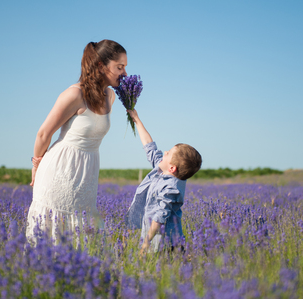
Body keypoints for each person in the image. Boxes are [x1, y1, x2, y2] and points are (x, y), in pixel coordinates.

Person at [26, 40, 127, 243]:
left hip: (86, 174)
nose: (124, 74)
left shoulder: (110, 96)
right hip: (59, 170)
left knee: (83, 239)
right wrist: (36, 166)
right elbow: (43, 134)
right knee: (52, 237)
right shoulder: (75, 94)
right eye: (119, 67)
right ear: (101, 66)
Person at [125, 109, 202, 253]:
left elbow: (159, 218)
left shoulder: (171, 189)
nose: (164, 152)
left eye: (168, 153)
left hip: (168, 244)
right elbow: (150, 147)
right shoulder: (161, 169)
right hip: (156, 240)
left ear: (172, 168)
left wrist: (146, 243)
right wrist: (136, 119)